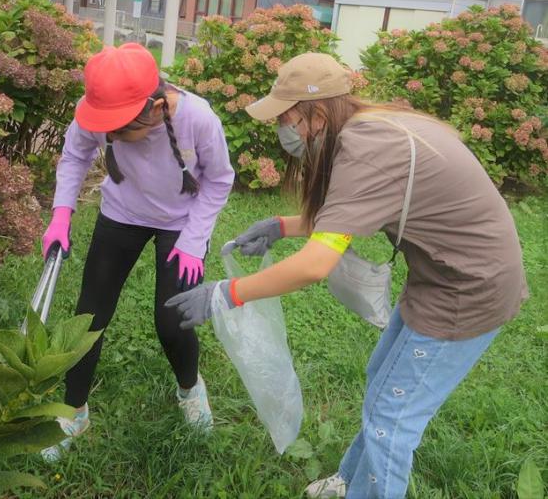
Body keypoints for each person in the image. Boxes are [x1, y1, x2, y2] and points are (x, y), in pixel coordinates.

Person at [166, 52, 528, 498]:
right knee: (383, 384)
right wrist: (282, 226)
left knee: (391, 421)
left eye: (286, 117)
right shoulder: (372, 126)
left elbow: (316, 264)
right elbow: (354, 214)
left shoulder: (367, 147)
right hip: (443, 275)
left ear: (317, 113)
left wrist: (227, 293)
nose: (282, 129)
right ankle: (351, 482)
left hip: (469, 289)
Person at [40, 43, 234, 462]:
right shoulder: (97, 109)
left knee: (172, 319)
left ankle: (189, 389)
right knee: (88, 315)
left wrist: (194, 240)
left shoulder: (197, 118)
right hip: (122, 214)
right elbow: (74, 156)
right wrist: (60, 215)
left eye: (117, 130)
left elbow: (219, 180)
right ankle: (74, 410)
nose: (107, 136)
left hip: (180, 223)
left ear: (155, 108)